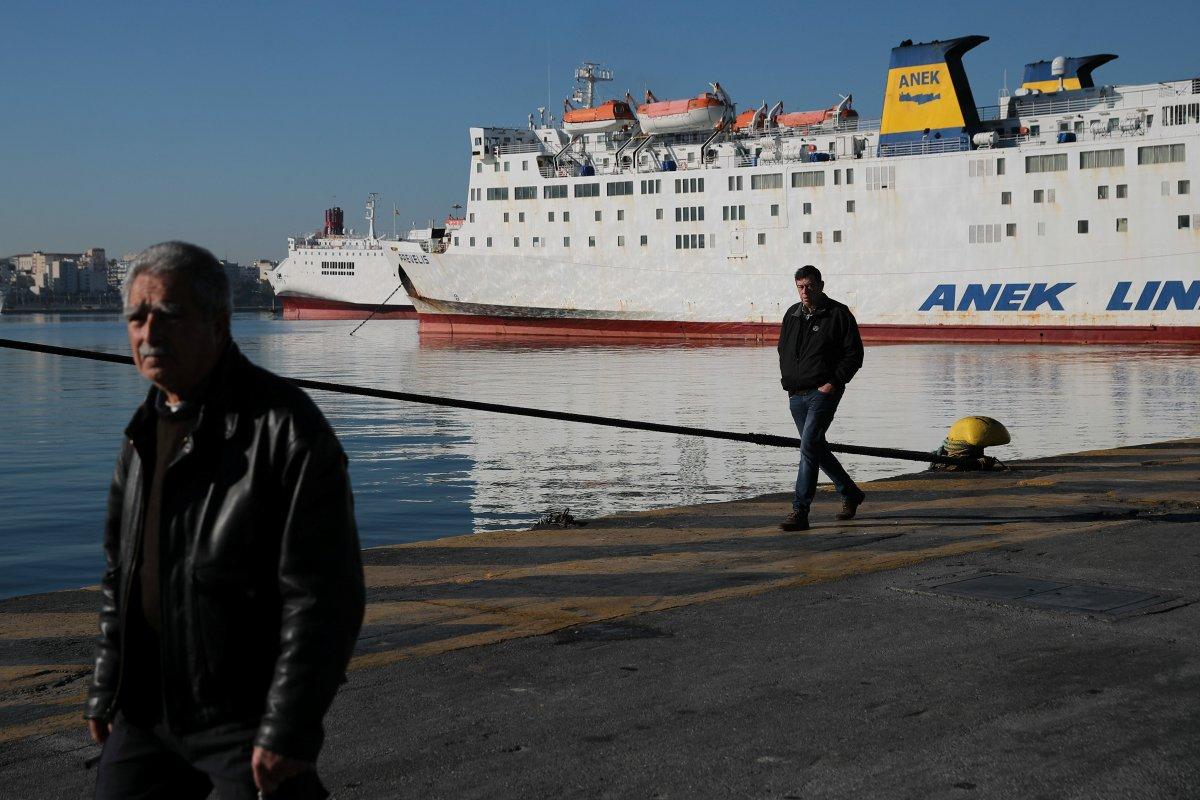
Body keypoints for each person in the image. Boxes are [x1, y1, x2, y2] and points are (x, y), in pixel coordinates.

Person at [84, 241, 365, 799]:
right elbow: (121, 577)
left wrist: (289, 725)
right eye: (136, 318)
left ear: (218, 325)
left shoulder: (286, 430)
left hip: (243, 717)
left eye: (167, 315)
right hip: (146, 713)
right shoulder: (141, 435)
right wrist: (106, 686)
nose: (148, 333)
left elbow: (324, 598)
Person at [777, 265, 866, 531]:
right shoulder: (791, 314)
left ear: (821, 285)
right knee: (815, 447)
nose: (805, 292)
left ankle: (799, 511)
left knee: (808, 448)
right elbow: (783, 349)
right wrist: (788, 381)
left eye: (810, 286)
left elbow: (854, 354)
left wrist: (833, 383)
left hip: (822, 393)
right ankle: (850, 493)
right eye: (800, 286)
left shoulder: (838, 314)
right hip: (796, 394)